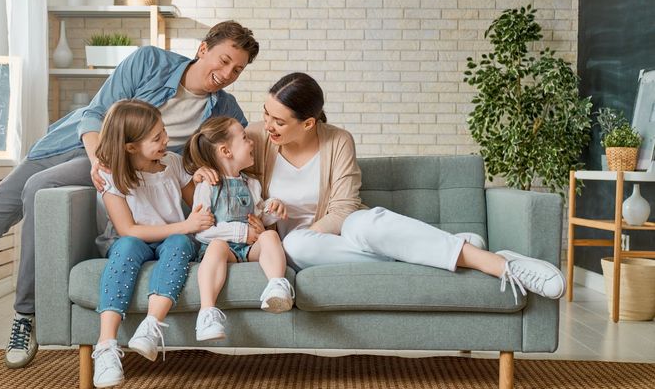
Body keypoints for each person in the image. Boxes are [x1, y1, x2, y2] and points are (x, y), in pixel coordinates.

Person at [0, 21, 260, 368]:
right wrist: (101, 162)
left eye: (237, 70)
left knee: (40, 190)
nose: (226, 73)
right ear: (203, 49)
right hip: (80, 148)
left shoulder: (223, 108)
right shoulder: (150, 62)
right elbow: (95, 114)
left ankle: (25, 317)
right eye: (223, 60)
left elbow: (240, 149)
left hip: (137, 171)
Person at [237, 72, 565, 301]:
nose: (268, 125)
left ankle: (503, 265)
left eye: (278, 121)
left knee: (365, 221)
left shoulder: (337, 140)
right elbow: (218, 160)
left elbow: (343, 208)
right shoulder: (255, 138)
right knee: (297, 244)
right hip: (301, 249)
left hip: (339, 235)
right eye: (266, 114)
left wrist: (315, 230)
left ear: (308, 123)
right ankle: (448, 249)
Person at [90, 100, 213, 389]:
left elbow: (198, 203)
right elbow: (128, 229)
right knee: (128, 246)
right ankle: (106, 345)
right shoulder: (110, 176)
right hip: (133, 241)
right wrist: (185, 225)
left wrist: (201, 180)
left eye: (164, 132)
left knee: (181, 242)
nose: (166, 141)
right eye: (156, 138)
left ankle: (151, 327)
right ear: (131, 147)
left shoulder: (171, 163)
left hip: (171, 240)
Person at [181, 116, 292, 343]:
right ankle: (208, 313)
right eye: (245, 138)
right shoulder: (207, 187)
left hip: (249, 249)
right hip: (224, 250)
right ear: (226, 151)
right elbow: (201, 231)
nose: (252, 143)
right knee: (217, 246)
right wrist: (239, 233)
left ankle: (276, 286)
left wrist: (273, 209)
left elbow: (259, 216)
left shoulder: (252, 184)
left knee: (270, 235)